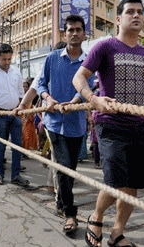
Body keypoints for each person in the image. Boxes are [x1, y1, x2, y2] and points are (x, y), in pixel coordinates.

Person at [73, 0, 144, 247]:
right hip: (110, 124)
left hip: (138, 126)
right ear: (119, 19)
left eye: (140, 12)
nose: (136, 15)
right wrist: (92, 99)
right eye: (130, 12)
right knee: (116, 180)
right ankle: (96, 217)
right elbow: (79, 77)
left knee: (133, 185)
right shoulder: (105, 47)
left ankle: (117, 233)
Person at [37, 14, 93, 236]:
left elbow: (91, 86)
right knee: (63, 166)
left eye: (78, 29)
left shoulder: (89, 61)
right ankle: (71, 213)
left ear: (84, 34)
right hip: (53, 122)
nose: (74, 33)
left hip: (76, 123)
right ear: (65, 33)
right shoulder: (52, 58)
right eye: (70, 30)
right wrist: (48, 99)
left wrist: (75, 102)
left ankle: (61, 201)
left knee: (70, 169)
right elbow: (41, 83)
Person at [0, 43, 30, 187]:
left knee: (17, 146)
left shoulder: (16, 72)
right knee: (0, 146)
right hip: (0, 114)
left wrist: (22, 110)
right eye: (4, 59)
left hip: (15, 113)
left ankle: (16, 175)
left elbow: (21, 94)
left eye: (9, 59)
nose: (7, 62)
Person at [21, 80, 38, 151]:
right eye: (23, 87)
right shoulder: (19, 96)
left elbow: (32, 107)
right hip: (21, 118)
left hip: (29, 119)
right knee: (22, 136)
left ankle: (25, 151)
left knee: (28, 135)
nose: (25, 88)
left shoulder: (30, 97)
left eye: (26, 87)